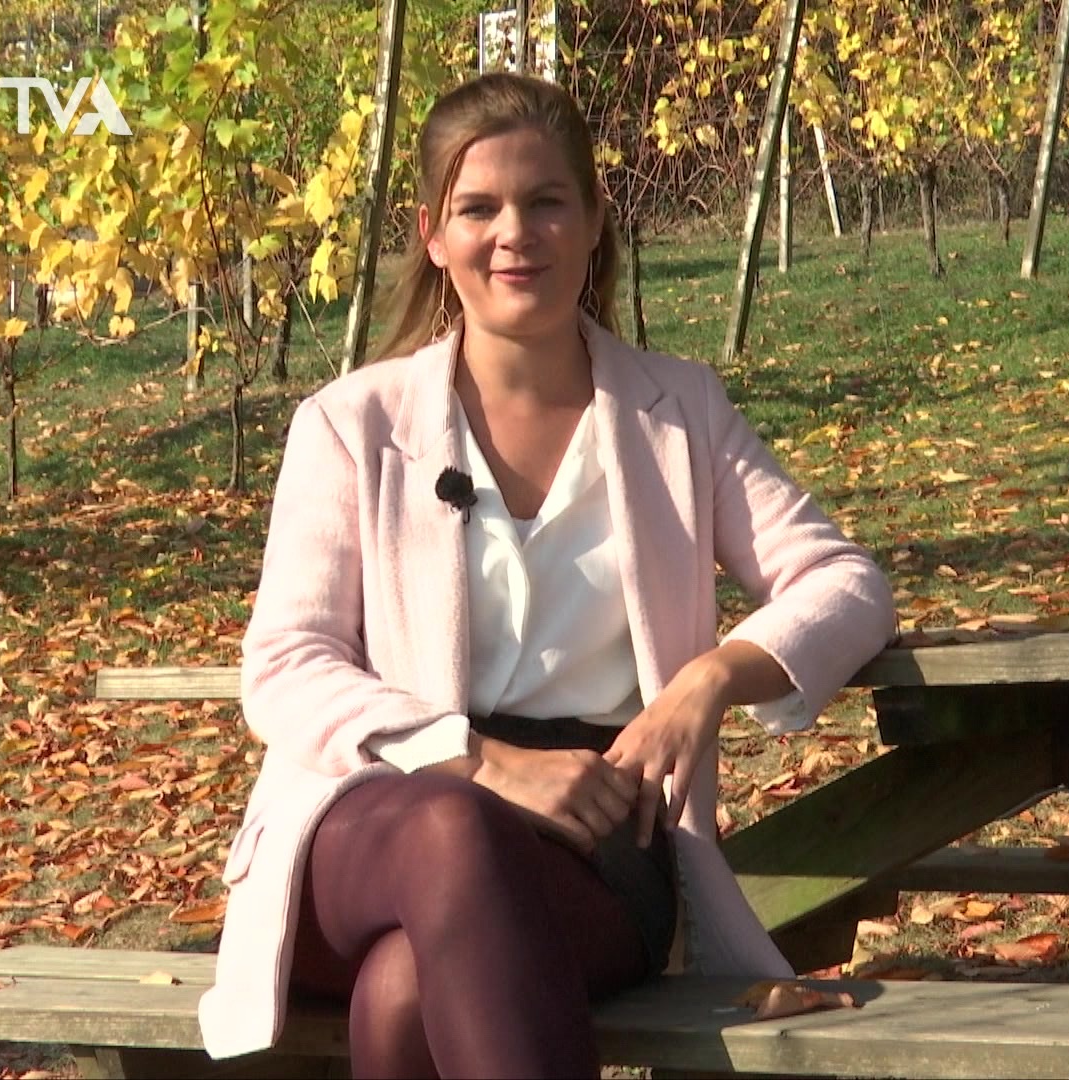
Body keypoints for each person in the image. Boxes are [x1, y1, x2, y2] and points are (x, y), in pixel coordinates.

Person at [194, 71, 897, 1078]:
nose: (515, 234)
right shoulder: (352, 426)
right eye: (479, 208)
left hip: (598, 831)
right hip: (383, 809)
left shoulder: (678, 411)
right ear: (434, 235)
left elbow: (845, 584)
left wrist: (707, 681)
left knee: (406, 992)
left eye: (546, 201)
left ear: (595, 222)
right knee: (453, 831)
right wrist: (482, 763)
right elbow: (286, 666)